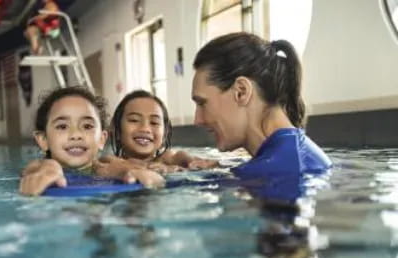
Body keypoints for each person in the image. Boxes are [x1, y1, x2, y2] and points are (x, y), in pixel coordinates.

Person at [191, 32, 331, 179]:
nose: (197, 120)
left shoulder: (274, 174)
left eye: (202, 103)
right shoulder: (294, 157)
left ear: (241, 92)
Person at [19, 86, 165, 196]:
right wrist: (50, 168)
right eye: (62, 126)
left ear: (102, 139)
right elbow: (35, 169)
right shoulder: (41, 167)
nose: (76, 135)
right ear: (43, 140)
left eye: (87, 126)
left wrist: (132, 171)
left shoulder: (105, 165)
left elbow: (117, 168)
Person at [105, 90, 219, 174]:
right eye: (134, 120)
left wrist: (193, 161)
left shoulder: (166, 158)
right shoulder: (110, 163)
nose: (145, 128)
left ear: (164, 135)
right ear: (117, 130)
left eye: (154, 123)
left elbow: (179, 156)